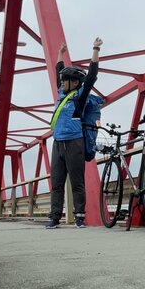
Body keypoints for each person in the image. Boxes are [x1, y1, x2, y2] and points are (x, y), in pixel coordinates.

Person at [46, 37, 103, 229]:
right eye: (62, 80)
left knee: (77, 182)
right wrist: (60, 53)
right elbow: (58, 70)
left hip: (74, 143)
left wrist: (95, 49)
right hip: (57, 143)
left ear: (75, 82)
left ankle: (79, 217)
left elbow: (92, 75)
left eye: (65, 80)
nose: (62, 82)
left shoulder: (80, 96)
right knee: (57, 183)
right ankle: (54, 217)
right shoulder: (61, 93)